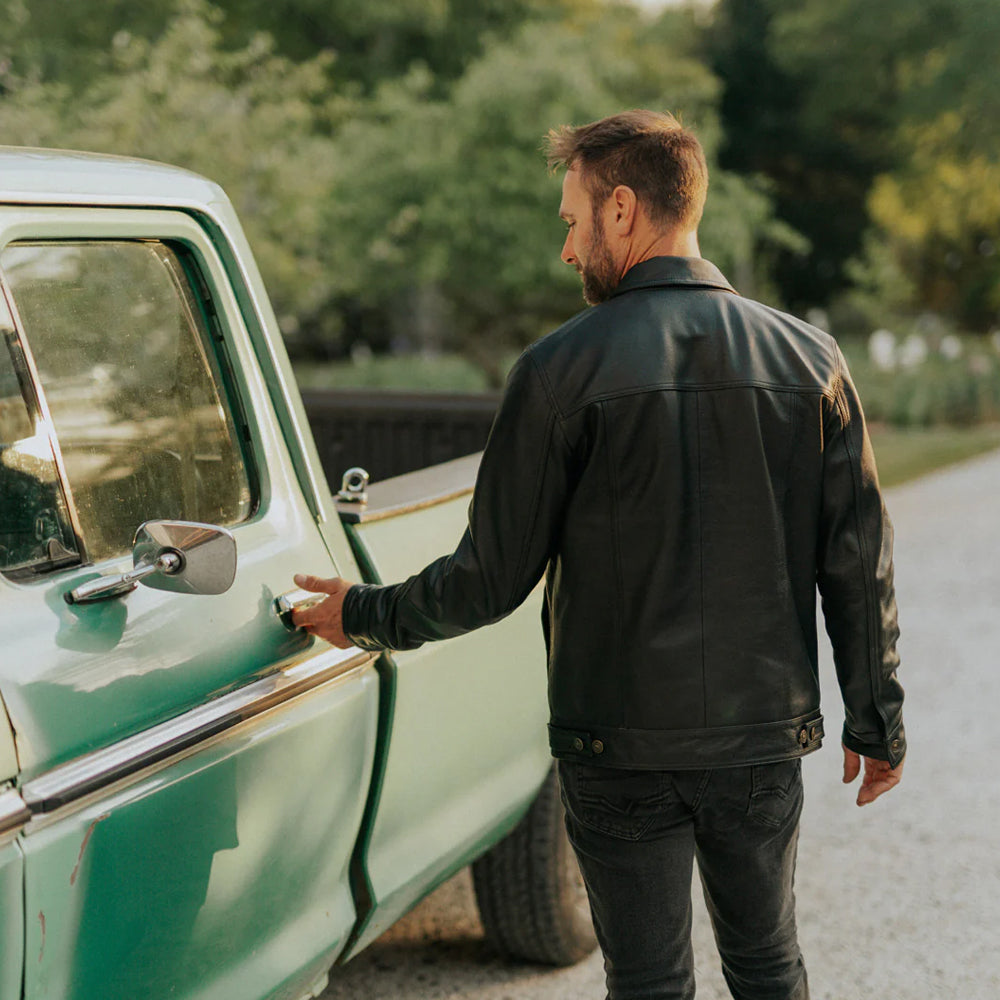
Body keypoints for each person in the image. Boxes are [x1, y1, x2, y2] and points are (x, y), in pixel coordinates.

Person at [291, 109, 905, 1000]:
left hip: (615, 743)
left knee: (648, 983)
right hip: (757, 739)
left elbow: (489, 579)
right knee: (770, 964)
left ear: (623, 209)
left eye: (573, 220)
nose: (568, 250)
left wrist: (362, 613)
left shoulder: (557, 372)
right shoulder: (812, 361)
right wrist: (876, 717)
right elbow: (857, 562)